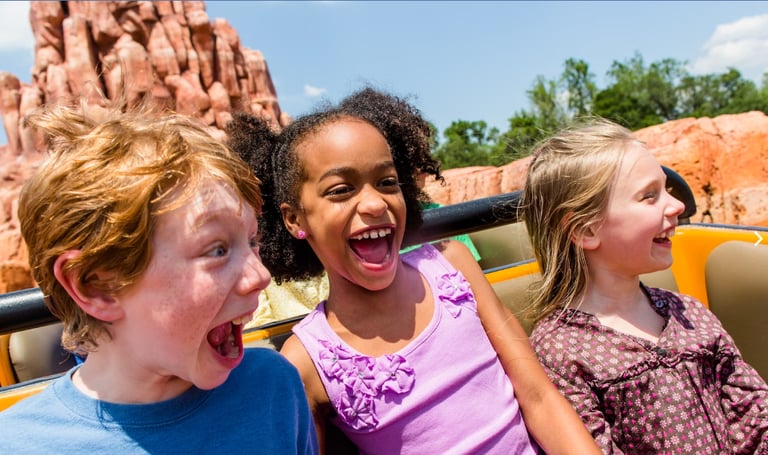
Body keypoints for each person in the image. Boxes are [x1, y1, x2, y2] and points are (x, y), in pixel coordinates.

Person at [228, 87, 600, 454]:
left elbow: (539, 397)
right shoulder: (306, 362)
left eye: (387, 182)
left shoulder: (453, 264)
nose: (375, 203)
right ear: (294, 219)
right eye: (341, 190)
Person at [0, 100, 318, 453]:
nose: (260, 276)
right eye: (217, 250)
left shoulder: (272, 387)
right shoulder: (18, 444)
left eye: (252, 241)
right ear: (97, 286)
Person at [521, 117, 768, 453]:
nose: (678, 205)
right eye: (649, 196)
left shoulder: (687, 311)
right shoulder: (560, 351)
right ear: (586, 230)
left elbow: (752, 412)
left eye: (667, 189)